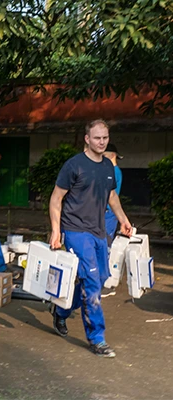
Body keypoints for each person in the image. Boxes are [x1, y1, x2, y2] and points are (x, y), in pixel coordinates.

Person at [49, 119, 133, 358]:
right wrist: (56, 230)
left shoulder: (108, 166)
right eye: (97, 138)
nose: (101, 142)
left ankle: (61, 310)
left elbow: (112, 197)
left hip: (99, 231)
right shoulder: (73, 165)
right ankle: (97, 339)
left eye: (105, 138)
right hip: (76, 230)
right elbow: (56, 199)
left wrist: (124, 219)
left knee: (101, 277)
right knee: (93, 284)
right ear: (87, 139)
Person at [103, 143, 123, 244]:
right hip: (105, 211)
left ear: (112, 155)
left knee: (106, 240)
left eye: (104, 156)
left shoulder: (114, 171)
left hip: (109, 212)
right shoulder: (111, 171)